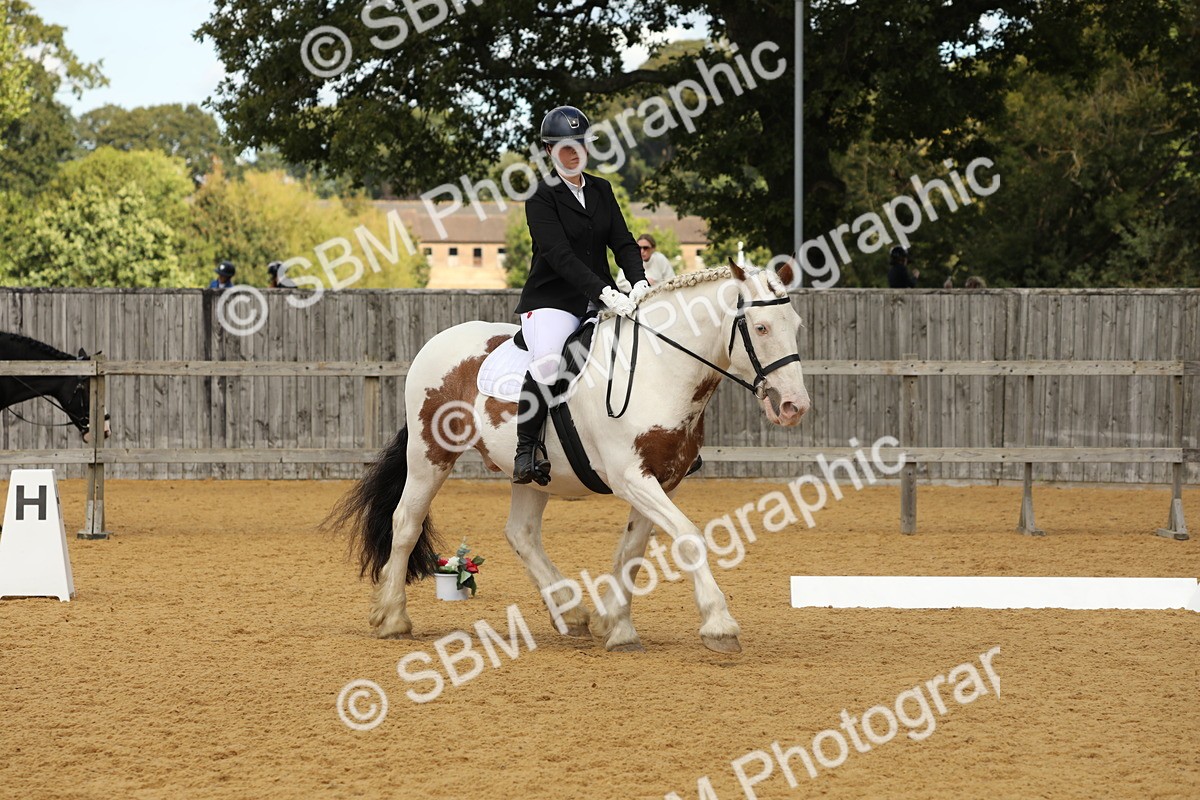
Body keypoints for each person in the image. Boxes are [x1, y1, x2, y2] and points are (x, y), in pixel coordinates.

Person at [512, 105, 649, 486]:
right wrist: (604, 291)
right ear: (549, 151)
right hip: (552, 301)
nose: (574, 153)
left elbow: (622, 242)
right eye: (564, 147)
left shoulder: (602, 190)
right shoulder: (541, 197)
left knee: (642, 348)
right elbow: (559, 256)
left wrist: (638, 281)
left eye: (580, 145)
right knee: (549, 361)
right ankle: (525, 449)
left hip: (603, 296)